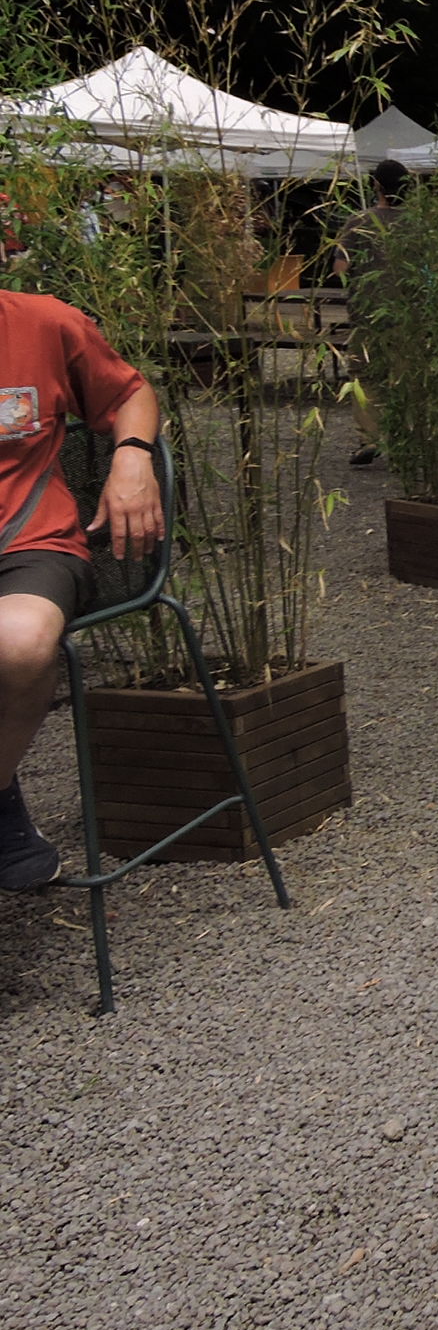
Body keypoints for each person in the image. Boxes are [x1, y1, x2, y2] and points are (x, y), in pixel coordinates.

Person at [0, 291, 163, 890]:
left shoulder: (43, 323)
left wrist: (132, 458)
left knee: (18, 643)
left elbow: (129, 393)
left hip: (26, 544)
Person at [340, 158, 409, 467]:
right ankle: (407, 438)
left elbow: (340, 268)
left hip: (366, 315)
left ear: (376, 185)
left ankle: (370, 437)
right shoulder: (419, 224)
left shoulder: (358, 222)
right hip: (408, 316)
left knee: (366, 379)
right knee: (404, 378)